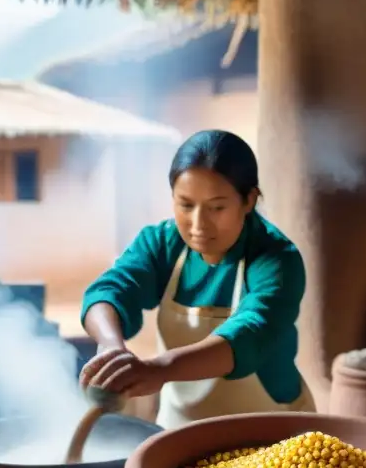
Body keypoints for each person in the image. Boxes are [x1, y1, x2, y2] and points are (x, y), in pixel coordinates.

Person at [78, 129, 315, 429]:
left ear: (249, 200)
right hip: (179, 430)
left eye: (217, 207)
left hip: (270, 434)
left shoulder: (276, 258)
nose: (198, 224)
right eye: (186, 205)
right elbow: (108, 290)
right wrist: (111, 346)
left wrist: (160, 368)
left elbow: (251, 334)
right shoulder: (163, 243)